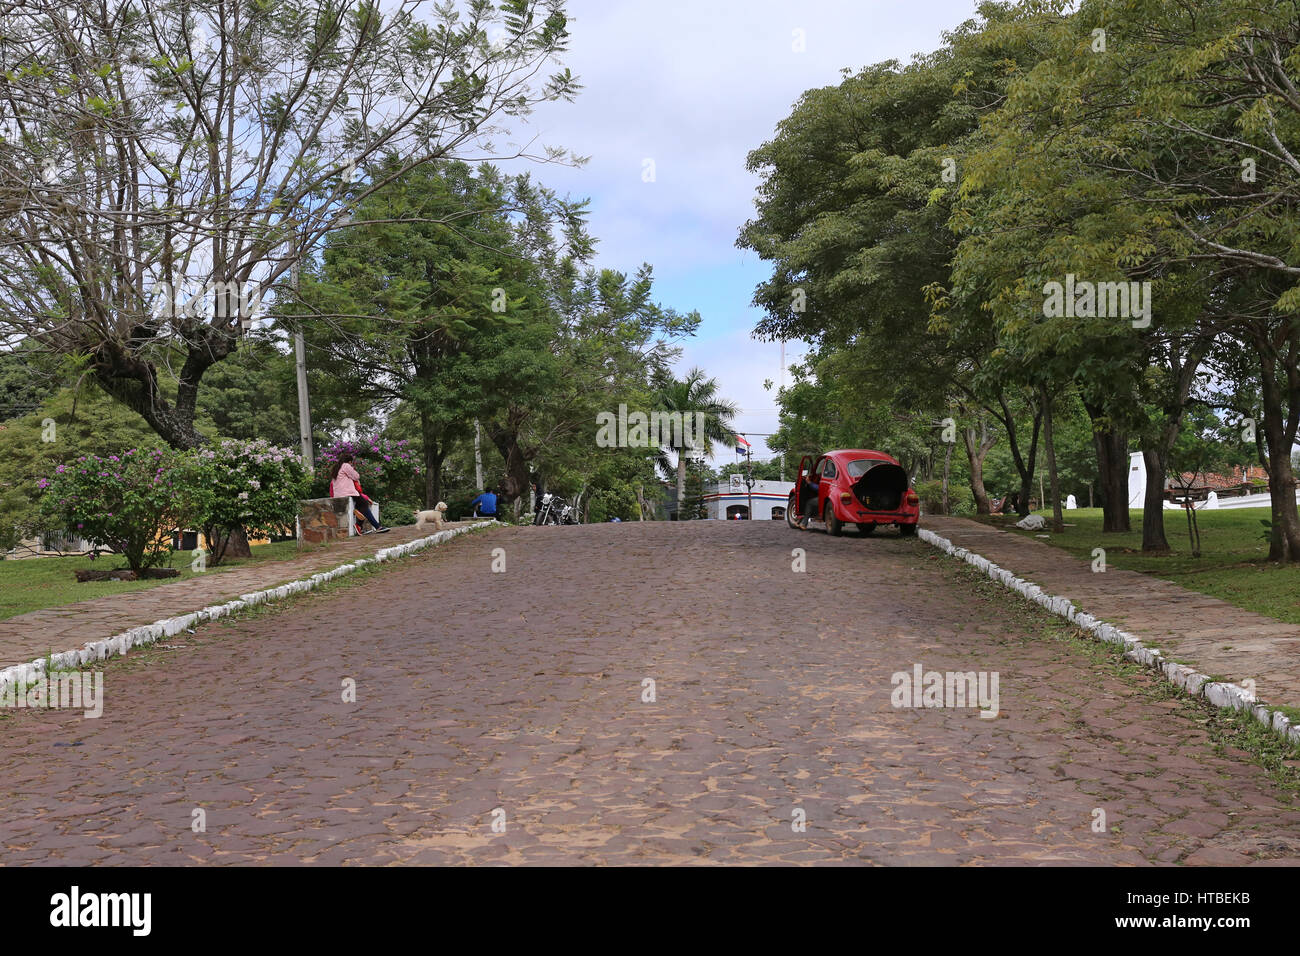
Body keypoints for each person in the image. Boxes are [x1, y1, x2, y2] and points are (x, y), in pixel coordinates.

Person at [328, 454, 390, 534]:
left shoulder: (336, 468)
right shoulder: (346, 465)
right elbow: (356, 476)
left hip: (338, 494)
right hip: (347, 492)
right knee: (364, 503)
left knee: (360, 505)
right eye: (351, 463)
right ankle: (376, 527)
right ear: (350, 461)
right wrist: (352, 469)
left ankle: (359, 526)